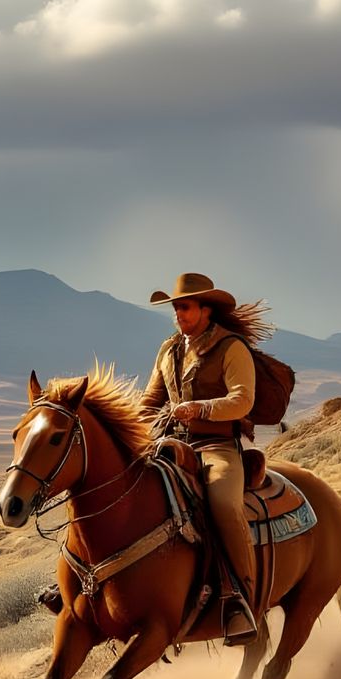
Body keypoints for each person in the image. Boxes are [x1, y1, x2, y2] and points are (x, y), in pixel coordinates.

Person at [140, 272, 261, 646]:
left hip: (217, 448)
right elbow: (150, 401)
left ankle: (241, 597)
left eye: (185, 307)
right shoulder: (168, 350)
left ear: (206, 309)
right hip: (170, 446)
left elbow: (243, 400)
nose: (178, 314)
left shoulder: (231, 348)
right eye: (175, 308)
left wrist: (201, 409)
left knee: (224, 505)